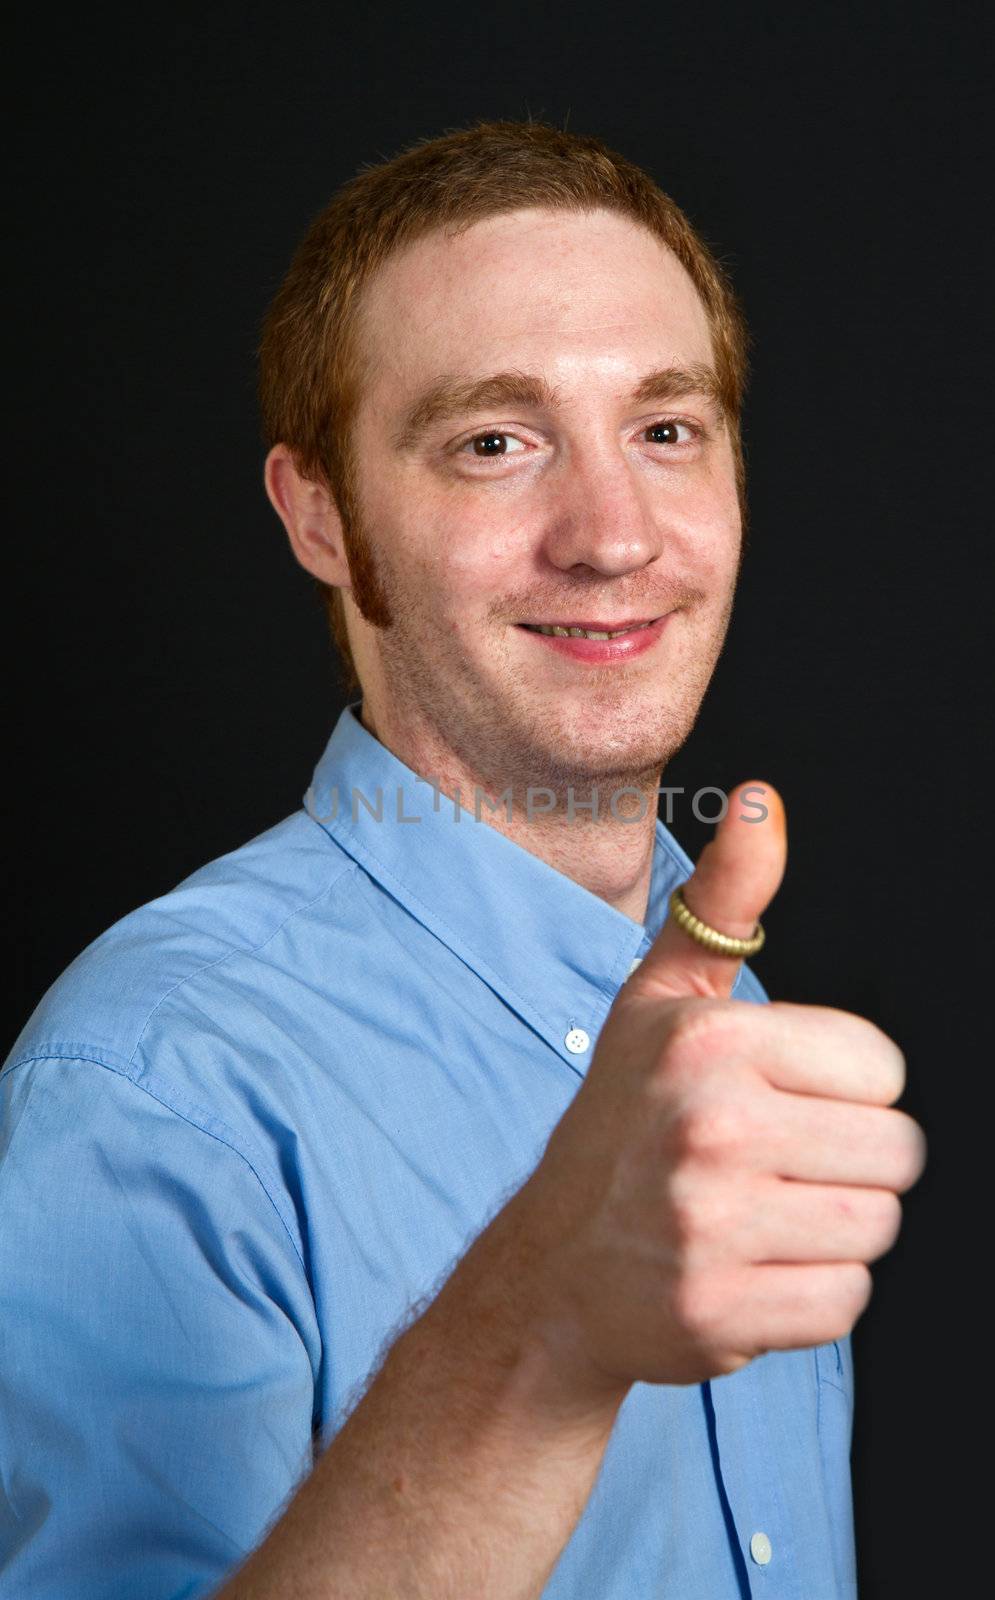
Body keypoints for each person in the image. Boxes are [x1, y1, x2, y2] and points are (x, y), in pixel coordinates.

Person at [0, 120, 926, 1598]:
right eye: (496, 442)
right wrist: (540, 1326)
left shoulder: (719, 1021)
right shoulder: (153, 1082)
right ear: (320, 516)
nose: (615, 536)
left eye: (666, 429)